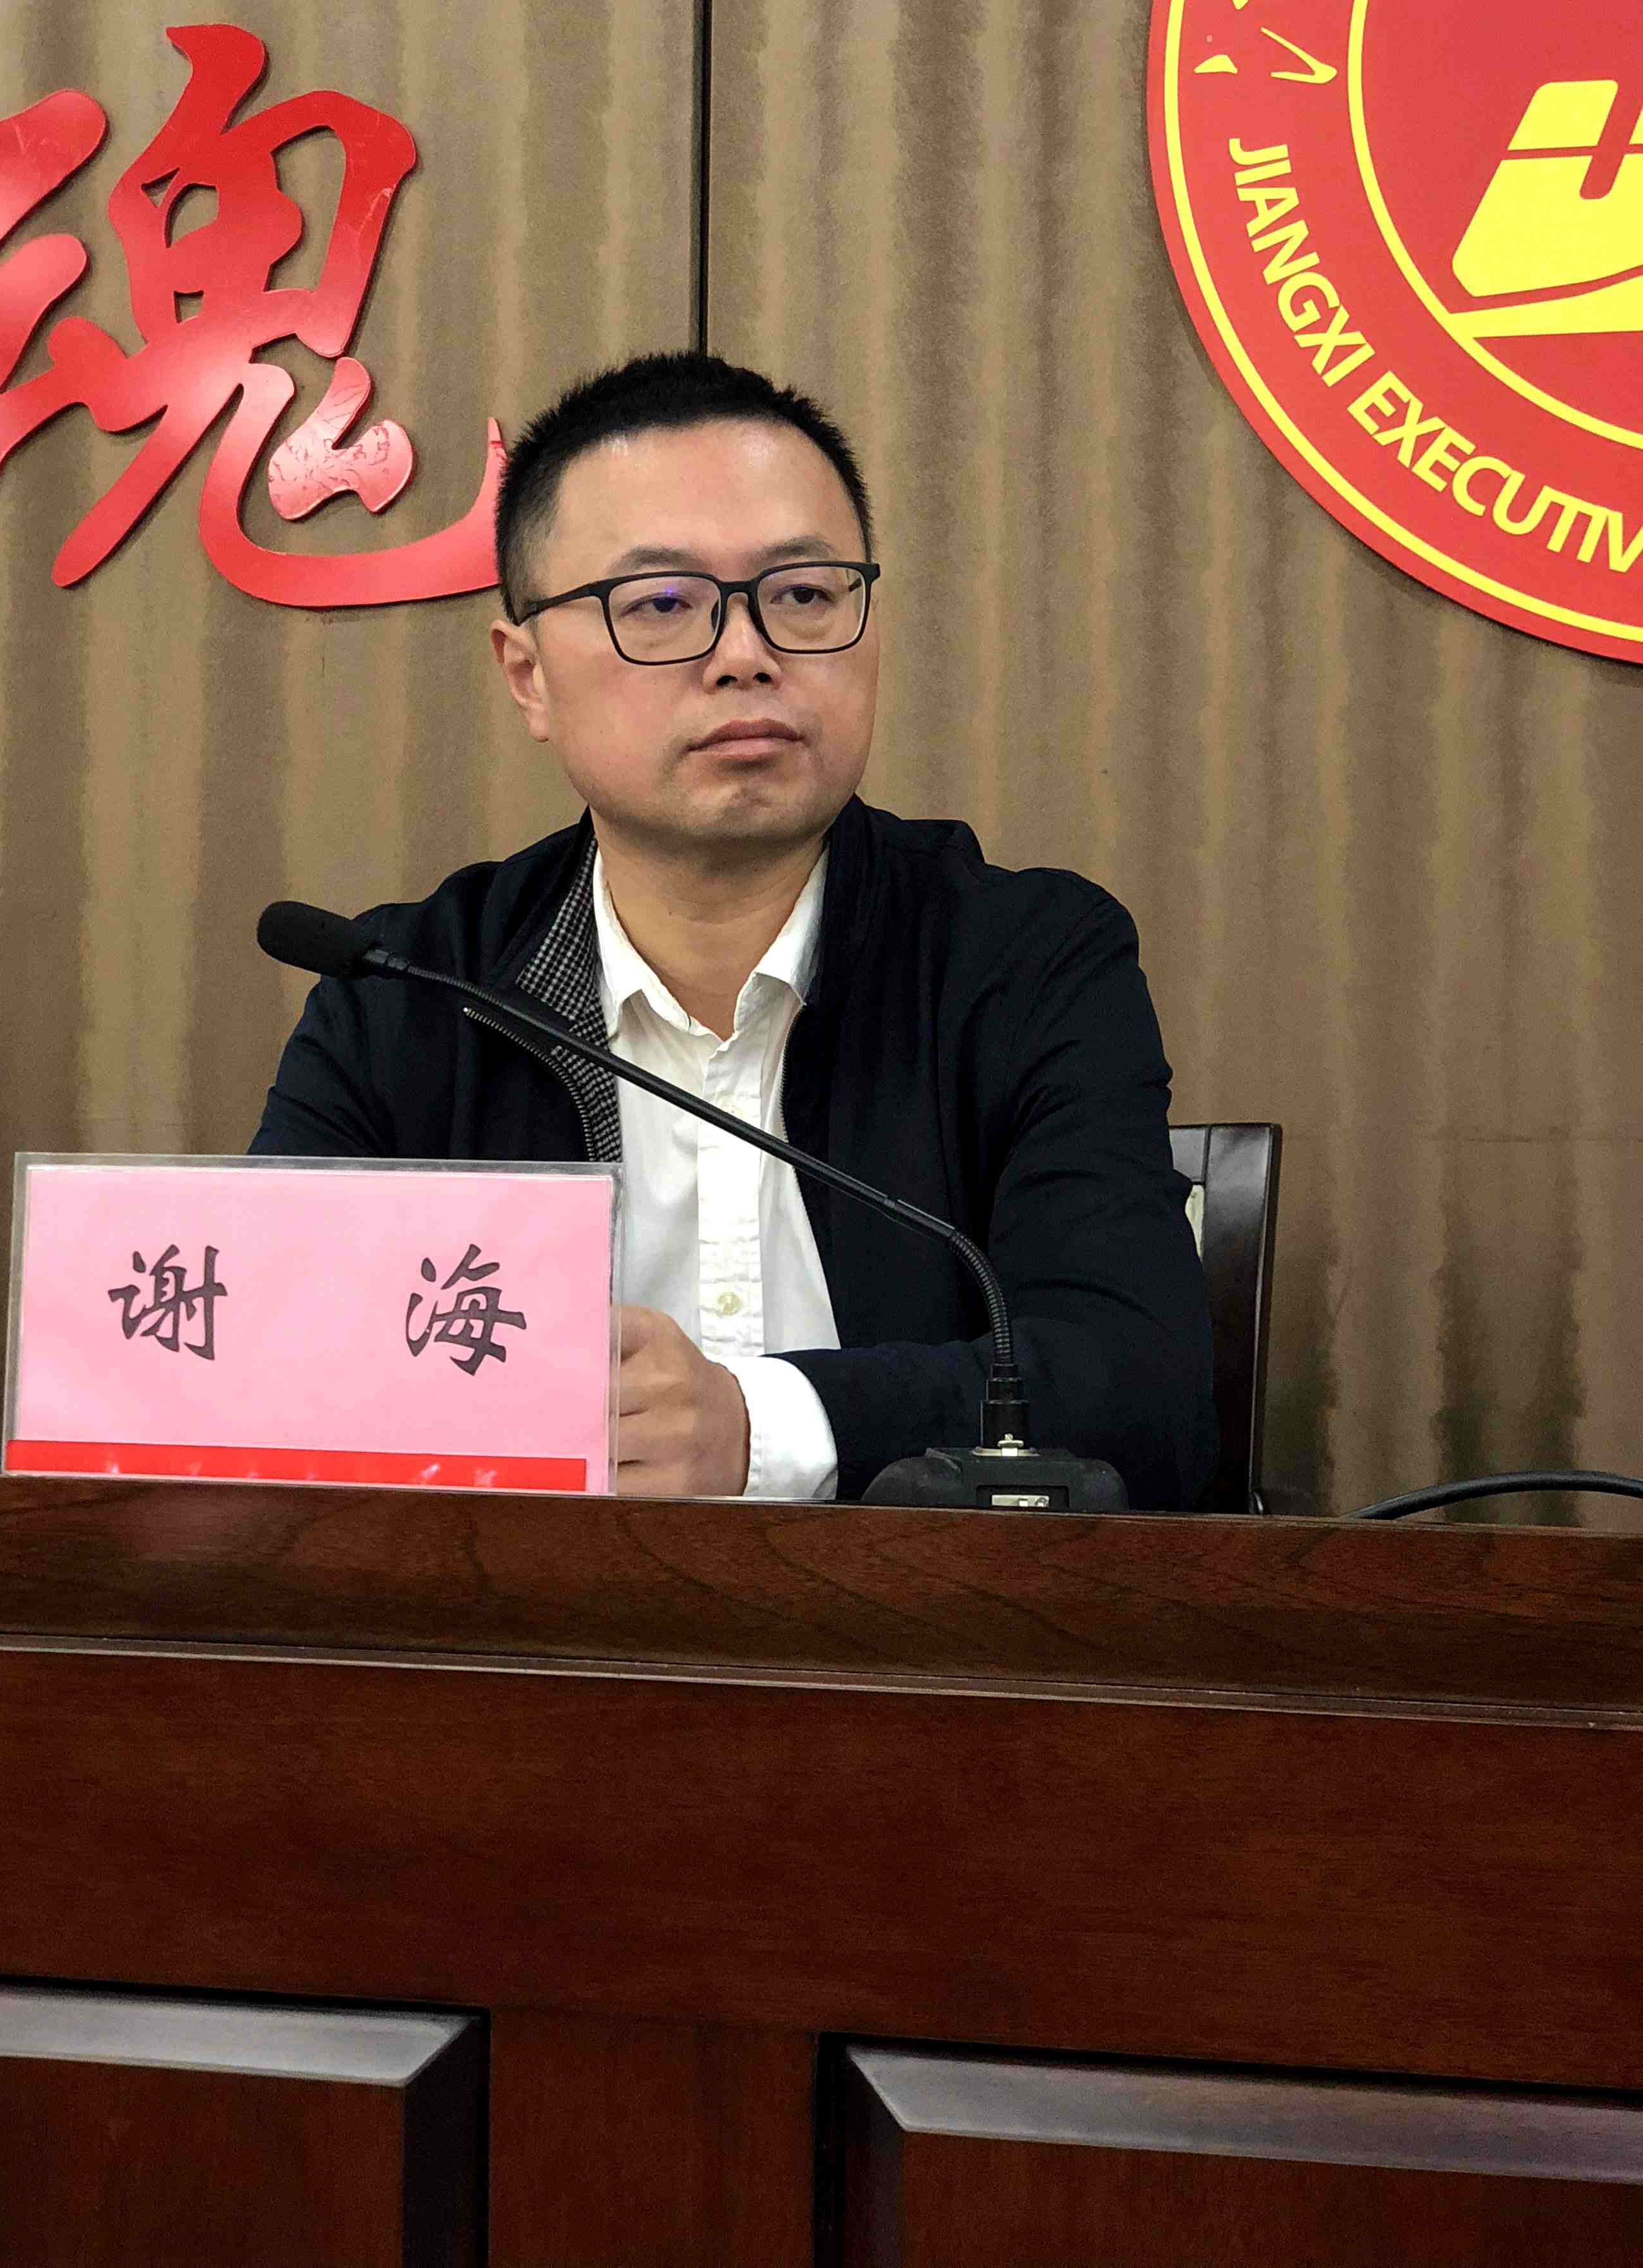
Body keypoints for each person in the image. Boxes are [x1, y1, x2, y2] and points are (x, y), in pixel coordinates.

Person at [252, 352, 1215, 1507]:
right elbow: (268, 1380)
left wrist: (754, 1427)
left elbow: (1143, 1401)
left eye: (803, 595)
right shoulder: (404, 993)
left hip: (926, 1622)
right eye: (661, 606)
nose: (745, 655)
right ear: (529, 677)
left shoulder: (1025, 961)